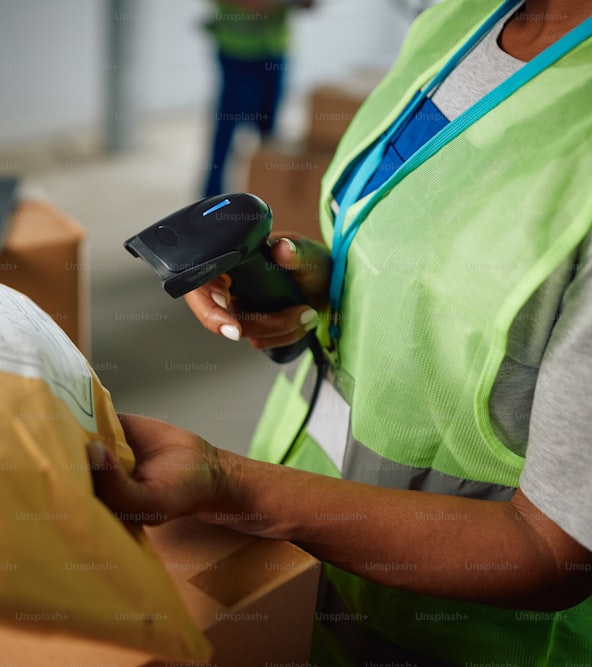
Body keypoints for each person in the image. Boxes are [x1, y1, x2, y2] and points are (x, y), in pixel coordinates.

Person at [91, 0, 592, 663]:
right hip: (304, 555)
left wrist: (230, 487)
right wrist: (323, 280)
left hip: (450, 636)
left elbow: (553, 549)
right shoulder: (461, 17)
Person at [202, 0, 312, 198]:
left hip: (275, 49)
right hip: (237, 50)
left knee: (269, 133)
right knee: (226, 127)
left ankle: (266, 195)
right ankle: (211, 198)